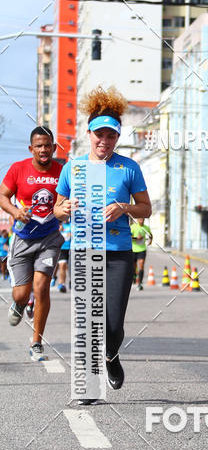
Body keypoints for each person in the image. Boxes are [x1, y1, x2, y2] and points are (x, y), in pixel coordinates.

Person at [54, 86, 151, 402]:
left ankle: (111, 355)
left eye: (111, 136)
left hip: (119, 253)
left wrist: (123, 207)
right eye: (99, 135)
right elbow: (57, 208)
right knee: (87, 323)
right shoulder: (73, 168)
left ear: (117, 137)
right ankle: (89, 385)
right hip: (84, 250)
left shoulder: (129, 168)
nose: (104, 141)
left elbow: (146, 209)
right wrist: (65, 208)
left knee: (112, 323)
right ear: (89, 134)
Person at [0, 126, 64, 361]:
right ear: (31, 148)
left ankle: (36, 342)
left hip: (49, 238)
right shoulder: (18, 169)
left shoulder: (62, 171)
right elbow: (2, 195)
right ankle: (19, 304)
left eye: (47, 145)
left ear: (54, 147)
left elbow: (70, 197)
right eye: (39, 146)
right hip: (23, 238)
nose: (43, 149)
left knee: (41, 287)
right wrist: (15, 211)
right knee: (21, 294)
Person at [130, 218, 153, 290]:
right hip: (133, 249)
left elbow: (150, 235)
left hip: (142, 249)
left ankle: (140, 283)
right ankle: (134, 276)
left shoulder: (146, 227)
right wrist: (136, 238)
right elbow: (129, 237)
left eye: (143, 219)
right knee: (133, 267)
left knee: (141, 265)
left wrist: (150, 241)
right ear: (137, 220)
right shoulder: (133, 227)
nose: (141, 220)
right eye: (140, 219)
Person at [55, 221, 71, 292]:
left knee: (70, 267)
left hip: (71, 249)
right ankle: (61, 284)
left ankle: (71, 280)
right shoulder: (58, 225)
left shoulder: (73, 224)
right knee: (62, 265)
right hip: (62, 249)